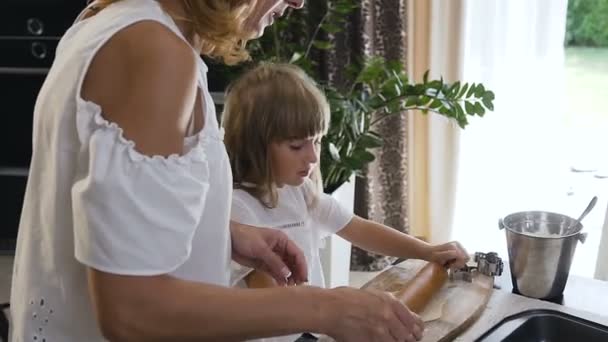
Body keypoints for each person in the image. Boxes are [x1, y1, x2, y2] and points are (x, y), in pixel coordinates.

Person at [10, 0, 434, 341]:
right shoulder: (156, 52)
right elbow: (132, 314)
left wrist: (220, 231)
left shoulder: (107, 18)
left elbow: (95, 212)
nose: (298, 1)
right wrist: (324, 307)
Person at [223, 63, 471, 341]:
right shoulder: (238, 210)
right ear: (254, 145)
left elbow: (357, 228)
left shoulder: (300, 192)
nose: (313, 157)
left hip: (310, 332)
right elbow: (268, 295)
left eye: (316, 141)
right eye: (297, 146)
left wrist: (428, 251)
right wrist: (340, 311)